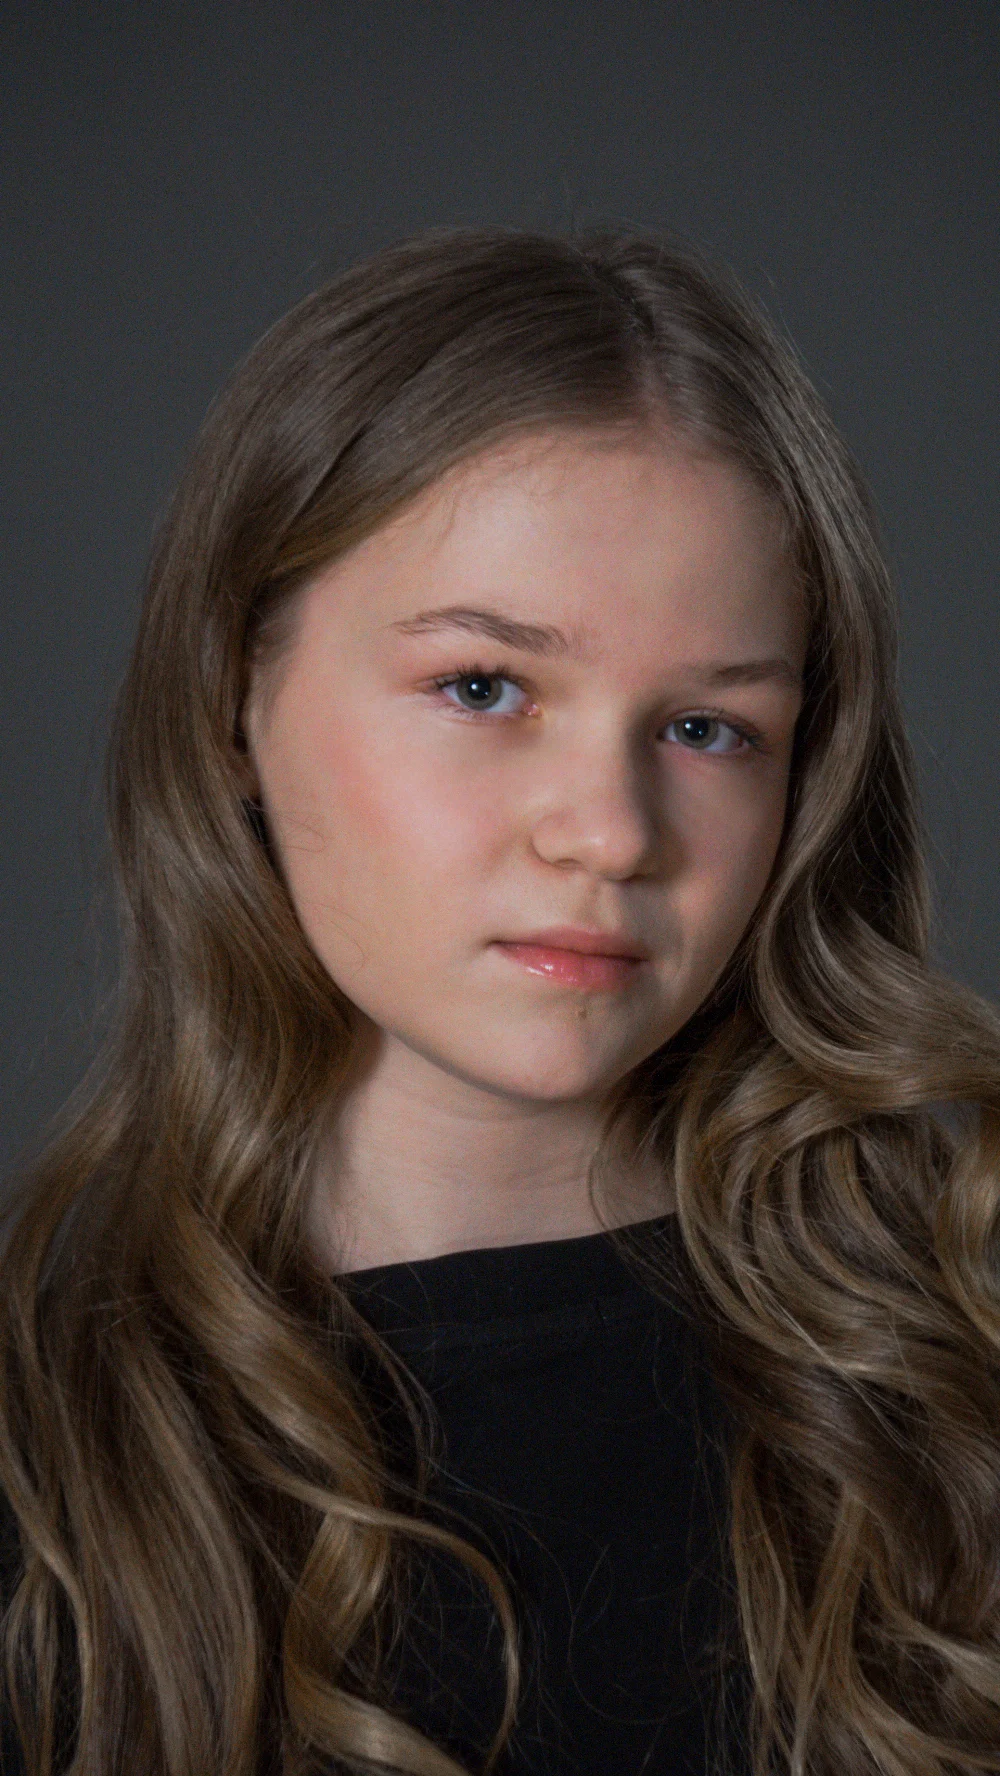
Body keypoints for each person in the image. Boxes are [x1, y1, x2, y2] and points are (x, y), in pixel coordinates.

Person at [1, 227, 999, 1776]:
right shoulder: (42, 1461)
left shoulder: (953, 1379)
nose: (608, 834)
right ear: (231, 704)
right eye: (483, 688)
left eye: (707, 728)